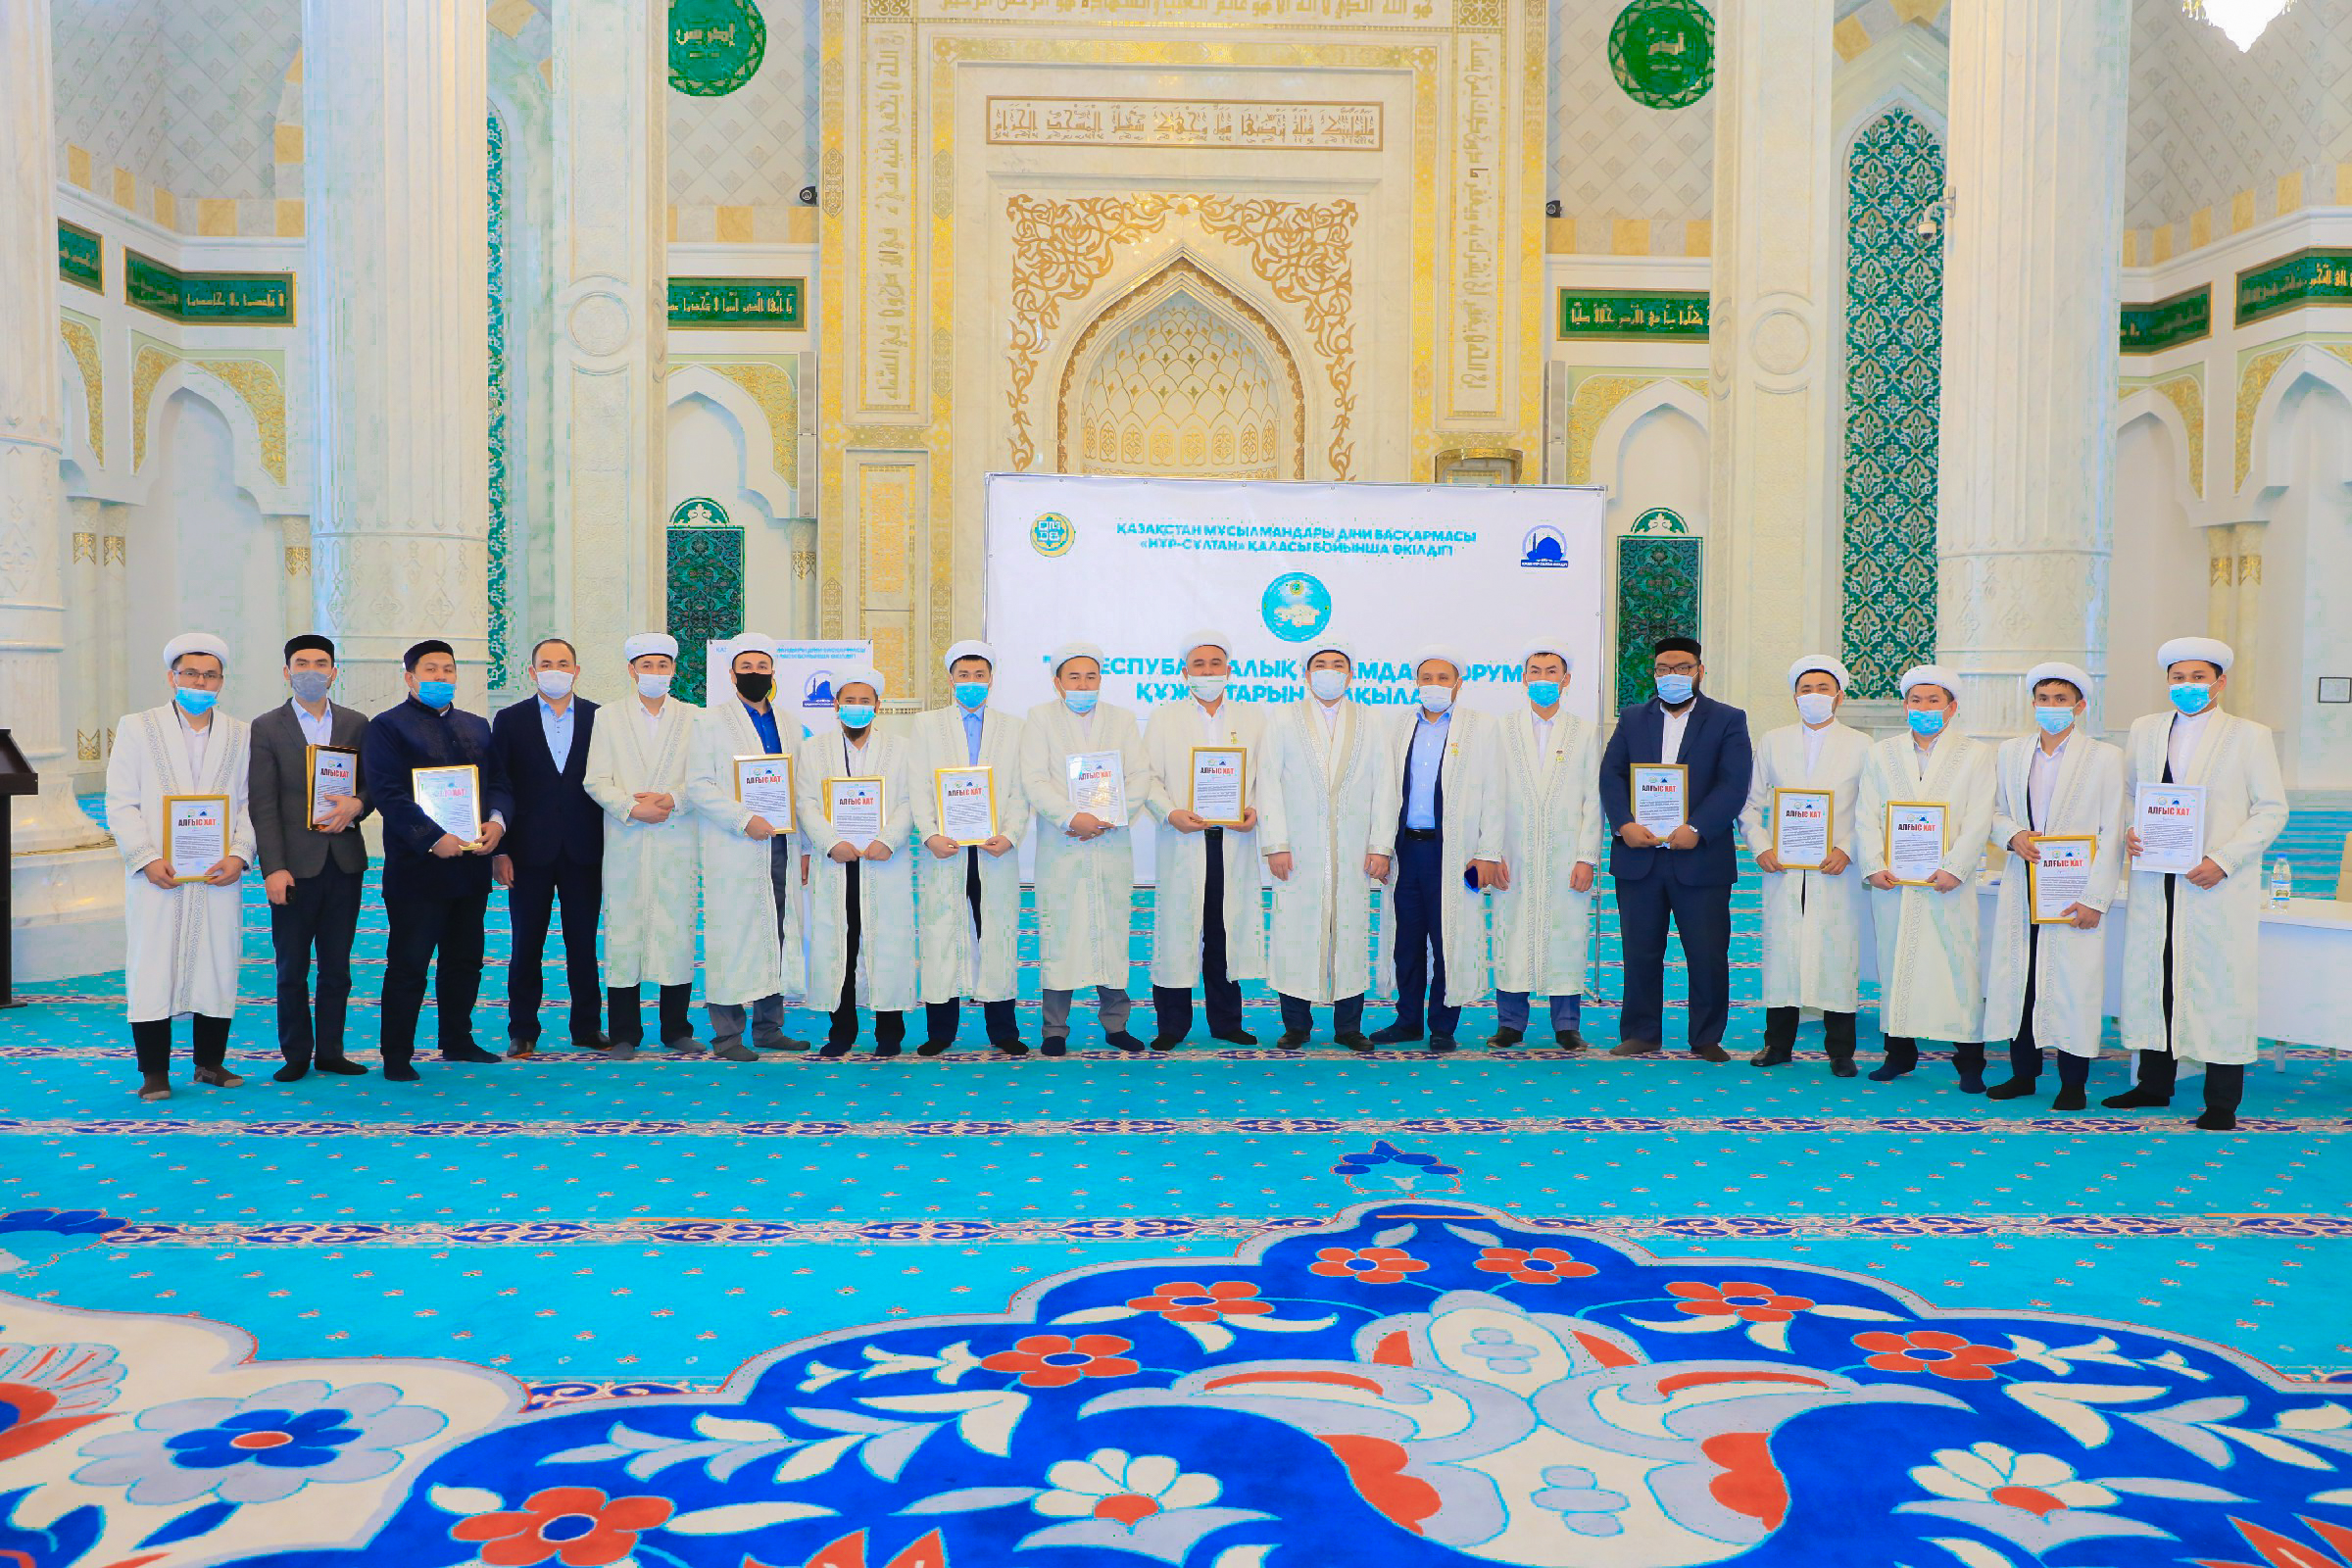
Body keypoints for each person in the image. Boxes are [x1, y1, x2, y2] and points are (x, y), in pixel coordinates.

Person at [2107, 637, 2288, 1131]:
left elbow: (2271, 810)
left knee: (2218, 985)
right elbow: (2130, 793)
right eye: (2178, 677)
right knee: (2157, 975)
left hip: (2215, 883)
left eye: (2198, 677)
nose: (2187, 685)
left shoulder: (2249, 735)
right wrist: (2130, 827)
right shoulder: (2145, 730)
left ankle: (2221, 1102)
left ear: (2220, 682)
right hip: (2155, 877)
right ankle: (2153, 1085)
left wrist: (2224, 860)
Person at [108, 633, 257, 1101]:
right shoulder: (138, 727)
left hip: (217, 873)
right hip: (159, 874)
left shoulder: (240, 733)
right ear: (172, 677)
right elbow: (120, 802)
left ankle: (210, 1063)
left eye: (210, 675)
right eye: (190, 673)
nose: (200, 682)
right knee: (152, 966)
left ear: (222, 681)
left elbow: (250, 803)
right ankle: (154, 1071)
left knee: (217, 961)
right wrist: (146, 858)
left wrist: (240, 853)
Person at [1597, 636, 1753, 1062]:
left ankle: (1706, 1036)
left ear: (1700, 671)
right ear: (1654, 674)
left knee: (1706, 952)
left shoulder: (1728, 719)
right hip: (1639, 856)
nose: (1672, 676)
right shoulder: (1633, 718)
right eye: (1663, 669)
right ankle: (1641, 1032)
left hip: (1700, 858)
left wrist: (1697, 828)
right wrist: (1624, 825)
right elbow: (1611, 776)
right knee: (1640, 951)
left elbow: (1733, 784)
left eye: (1682, 668)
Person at [364, 639, 514, 1079]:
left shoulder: (477, 726)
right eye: (430, 670)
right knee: (409, 963)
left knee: (465, 960)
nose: (440, 677)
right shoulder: (387, 726)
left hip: (470, 865)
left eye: (448, 669)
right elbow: (387, 793)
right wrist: (432, 838)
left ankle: (457, 1039)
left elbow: (499, 783)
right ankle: (396, 1054)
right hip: (418, 869)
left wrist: (497, 823)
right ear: (410, 677)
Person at [1983, 662, 2126, 1109]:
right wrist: (2012, 835)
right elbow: (1993, 811)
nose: (2051, 707)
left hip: (2075, 886)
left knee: (2072, 983)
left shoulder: (2105, 757)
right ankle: (2023, 1074)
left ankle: (2073, 1084)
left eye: (2060, 700)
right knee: (2020, 979)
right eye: (2043, 699)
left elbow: (2112, 831)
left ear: (2079, 707)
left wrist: (2095, 899)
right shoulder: (2011, 753)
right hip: (2023, 879)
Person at [1854, 664, 1997, 1090]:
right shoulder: (1881, 752)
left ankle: (1969, 1061)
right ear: (1905, 706)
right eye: (1916, 700)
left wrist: (1956, 867)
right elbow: (1866, 813)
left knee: (1957, 964)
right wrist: (1873, 864)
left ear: (1951, 708)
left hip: (1947, 882)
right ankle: (1899, 1054)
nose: (1924, 707)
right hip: (1894, 882)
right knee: (1897, 963)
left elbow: (1979, 817)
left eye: (1934, 700)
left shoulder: (1975, 754)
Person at [1256, 639, 1396, 1051]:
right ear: (1306, 674)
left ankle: (1349, 1027)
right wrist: (1276, 843)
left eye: (1338, 665)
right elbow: (1268, 784)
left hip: (1354, 850)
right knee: (1294, 932)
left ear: (1350, 675)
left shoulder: (1371, 721)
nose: (1329, 672)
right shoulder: (1283, 718)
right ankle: (1296, 1025)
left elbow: (1386, 787)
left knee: (1351, 934)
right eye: (1321, 664)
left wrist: (1380, 846)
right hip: (1297, 851)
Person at [247, 634, 371, 1082]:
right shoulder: (266, 727)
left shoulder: (356, 723)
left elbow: (373, 783)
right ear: (287, 672)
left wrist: (359, 804)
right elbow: (263, 805)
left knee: (337, 966)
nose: (312, 672)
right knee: (292, 967)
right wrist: (273, 868)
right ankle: (296, 1053)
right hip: (293, 867)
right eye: (302, 663)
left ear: (334, 672)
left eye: (321, 664)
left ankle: (332, 1051)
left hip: (344, 862)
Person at [1737, 656, 1870, 1074]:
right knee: (1783, 951)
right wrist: (1760, 846)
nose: (1814, 696)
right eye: (1806, 689)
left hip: (1837, 868)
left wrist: (1847, 848)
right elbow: (1750, 803)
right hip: (1784, 867)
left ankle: (1841, 1051)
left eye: (1823, 689)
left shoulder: (1862, 745)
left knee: (1837, 953)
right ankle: (1777, 1045)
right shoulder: (1773, 741)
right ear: (1795, 697)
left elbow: (1872, 809)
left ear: (1839, 696)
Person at [1018, 642, 1152, 1055]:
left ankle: (1116, 1024)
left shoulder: (1122, 719)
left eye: (1090, 677)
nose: (1082, 684)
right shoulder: (1040, 718)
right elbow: (1034, 779)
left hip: (1110, 842)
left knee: (1110, 933)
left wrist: (1110, 816)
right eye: (1073, 677)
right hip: (1063, 844)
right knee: (1061, 934)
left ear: (1100, 680)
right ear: (1057, 682)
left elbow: (1140, 775)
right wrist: (1070, 817)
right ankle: (1054, 1030)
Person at [1142, 629, 1267, 1052]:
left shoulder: (1252, 718)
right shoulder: (1165, 718)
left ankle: (1227, 1021)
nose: (1208, 671)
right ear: (1185, 672)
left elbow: (1266, 776)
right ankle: (1172, 1025)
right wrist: (1170, 813)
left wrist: (1254, 810)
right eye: (1199, 664)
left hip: (1232, 840)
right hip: (1184, 839)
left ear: (1229, 670)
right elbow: (1148, 778)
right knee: (1177, 930)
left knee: (1223, 929)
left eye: (1215, 664)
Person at [1474, 642, 1602, 1051]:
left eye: (1551, 672)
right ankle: (1510, 1024)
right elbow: (1490, 794)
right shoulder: (1502, 729)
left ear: (1566, 680)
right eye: (1535, 671)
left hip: (1566, 856)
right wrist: (1492, 852)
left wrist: (1586, 857)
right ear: (1524, 678)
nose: (1543, 679)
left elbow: (1593, 800)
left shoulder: (1585, 732)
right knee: (1510, 935)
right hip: (1513, 854)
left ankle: (1567, 1026)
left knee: (1568, 937)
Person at [685, 631, 808, 1058]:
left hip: (781, 844)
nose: (755, 673)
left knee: (776, 932)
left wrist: (806, 848)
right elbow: (698, 785)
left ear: (773, 672)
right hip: (733, 845)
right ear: (732, 673)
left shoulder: (789, 723)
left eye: (762, 667)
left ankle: (769, 1028)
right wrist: (744, 819)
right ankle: (727, 1037)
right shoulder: (709, 721)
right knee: (733, 935)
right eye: (746, 667)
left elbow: (800, 787)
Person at [582, 633, 701, 1057]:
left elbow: (706, 777)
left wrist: (672, 800)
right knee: (624, 933)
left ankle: (676, 1029)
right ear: (632, 671)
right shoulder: (608, 717)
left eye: (662, 665)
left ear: (673, 670)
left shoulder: (695, 718)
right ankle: (624, 1034)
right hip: (626, 840)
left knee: (677, 930)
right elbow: (595, 779)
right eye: (646, 666)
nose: (655, 673)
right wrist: (633, 809)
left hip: (677, 837)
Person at [1371, 647, 1493, 1054]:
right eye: (1427, 678)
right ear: (1416, 683)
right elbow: (1385, 790)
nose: (1434, 685)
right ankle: (1407, 1020)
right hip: (1407, 849)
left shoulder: (1480, 728)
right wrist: (1381, 845)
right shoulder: (1399, 726)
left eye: (1444, 678)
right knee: (1406, 940)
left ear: (1459, 684)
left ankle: (1443, 1025)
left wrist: (1487, 851)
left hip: (1455, 852)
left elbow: (1495, 794)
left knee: (1448, 939)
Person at [912, 641, 1029, 1055]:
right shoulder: (927, 725)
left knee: (997, 932)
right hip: (945, 848)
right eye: (964, 675)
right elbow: (918, 786)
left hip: (995, 848)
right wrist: (929, 834)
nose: (972, 682)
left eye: (980, 675)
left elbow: (1020, 790)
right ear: (951, 680)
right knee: (941, 933)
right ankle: (940, 1032)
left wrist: (1011, 833)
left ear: (991, 679)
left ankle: (1004, 1031)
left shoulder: (1013, 728)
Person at [796, 667, 918, 1058]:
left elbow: (910, 800)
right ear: (836, 704)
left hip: (884, 861)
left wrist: (888, 839)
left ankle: (889, 1033)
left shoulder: (902, 748)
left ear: (878, 706)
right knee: (840, 946)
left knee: (887, 942)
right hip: (837, 861)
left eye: (865, 701)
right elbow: (806, 803)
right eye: (849, 700)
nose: (857, 707)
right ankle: (842, 1031)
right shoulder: (814, 750)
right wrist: (831, 842)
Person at [491, 638, 606, 1055]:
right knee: (526, 945)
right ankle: (522, 1029)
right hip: (527, 852)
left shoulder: (599, 718)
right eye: (546, 663)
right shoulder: (510, 719)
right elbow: (499, 783)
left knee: (583, 944)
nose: (555, 669)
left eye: (563, 663)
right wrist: (500, 850)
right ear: (532, 671)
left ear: (576, 671)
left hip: (585, 849)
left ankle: (587, 1027)